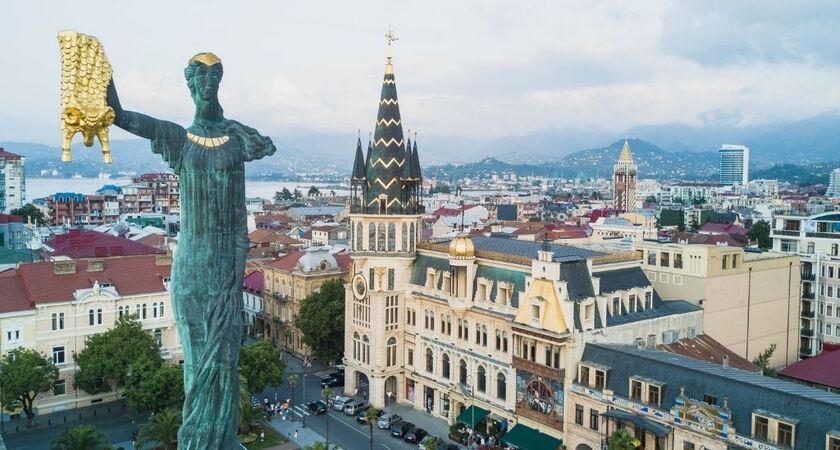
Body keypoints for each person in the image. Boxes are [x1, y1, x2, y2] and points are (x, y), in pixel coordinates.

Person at [106, 52, 276, 450]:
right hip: (192, 264)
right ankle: (199, 441)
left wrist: (237, 267)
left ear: (219, 83)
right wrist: (103, 74)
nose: (207, 84)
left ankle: (222, 438)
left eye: (214, 77)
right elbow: (121, 116)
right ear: (191, 85)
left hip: (226, 261)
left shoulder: (235, 141)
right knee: (199, 360)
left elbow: (239, 216)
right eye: (201, 78)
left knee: (226, 358)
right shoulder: (178, 139)